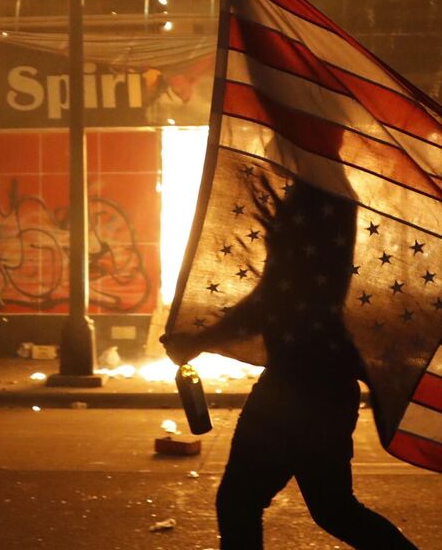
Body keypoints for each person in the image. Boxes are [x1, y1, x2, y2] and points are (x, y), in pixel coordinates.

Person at [163, 183, 417, 550]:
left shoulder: (316, 196)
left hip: (297, 387)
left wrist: (199, 340)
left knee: (241, 502)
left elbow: (275, 299)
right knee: (332, 509)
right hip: (318, 382)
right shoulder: (325, 193)